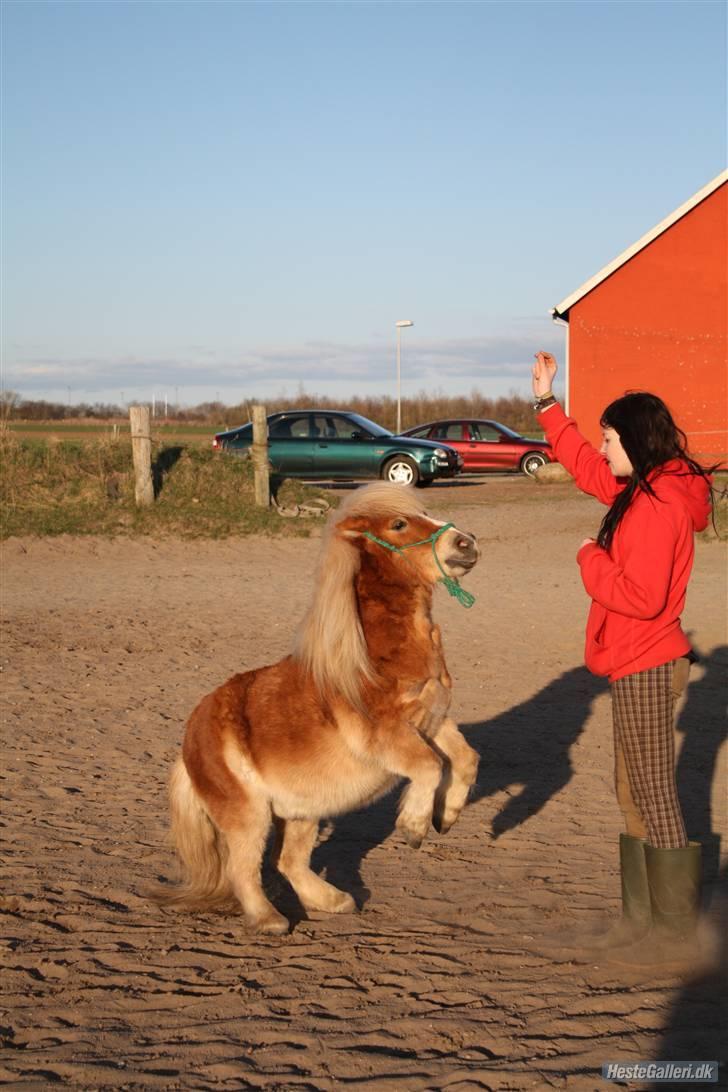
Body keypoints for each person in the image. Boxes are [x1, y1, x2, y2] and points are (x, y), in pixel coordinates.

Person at [531, 350, 714, 965]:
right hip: (641, 659)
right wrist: (547, 406)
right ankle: (644, 920)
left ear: (635, 441)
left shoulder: (658, 506)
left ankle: (673, 933)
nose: (604, 449)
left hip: (645, 659)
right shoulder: (646, 486)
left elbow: (640, 596)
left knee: (651, 790)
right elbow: (588, 469)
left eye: (611, 438)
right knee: (632, 787)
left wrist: (589, 556)